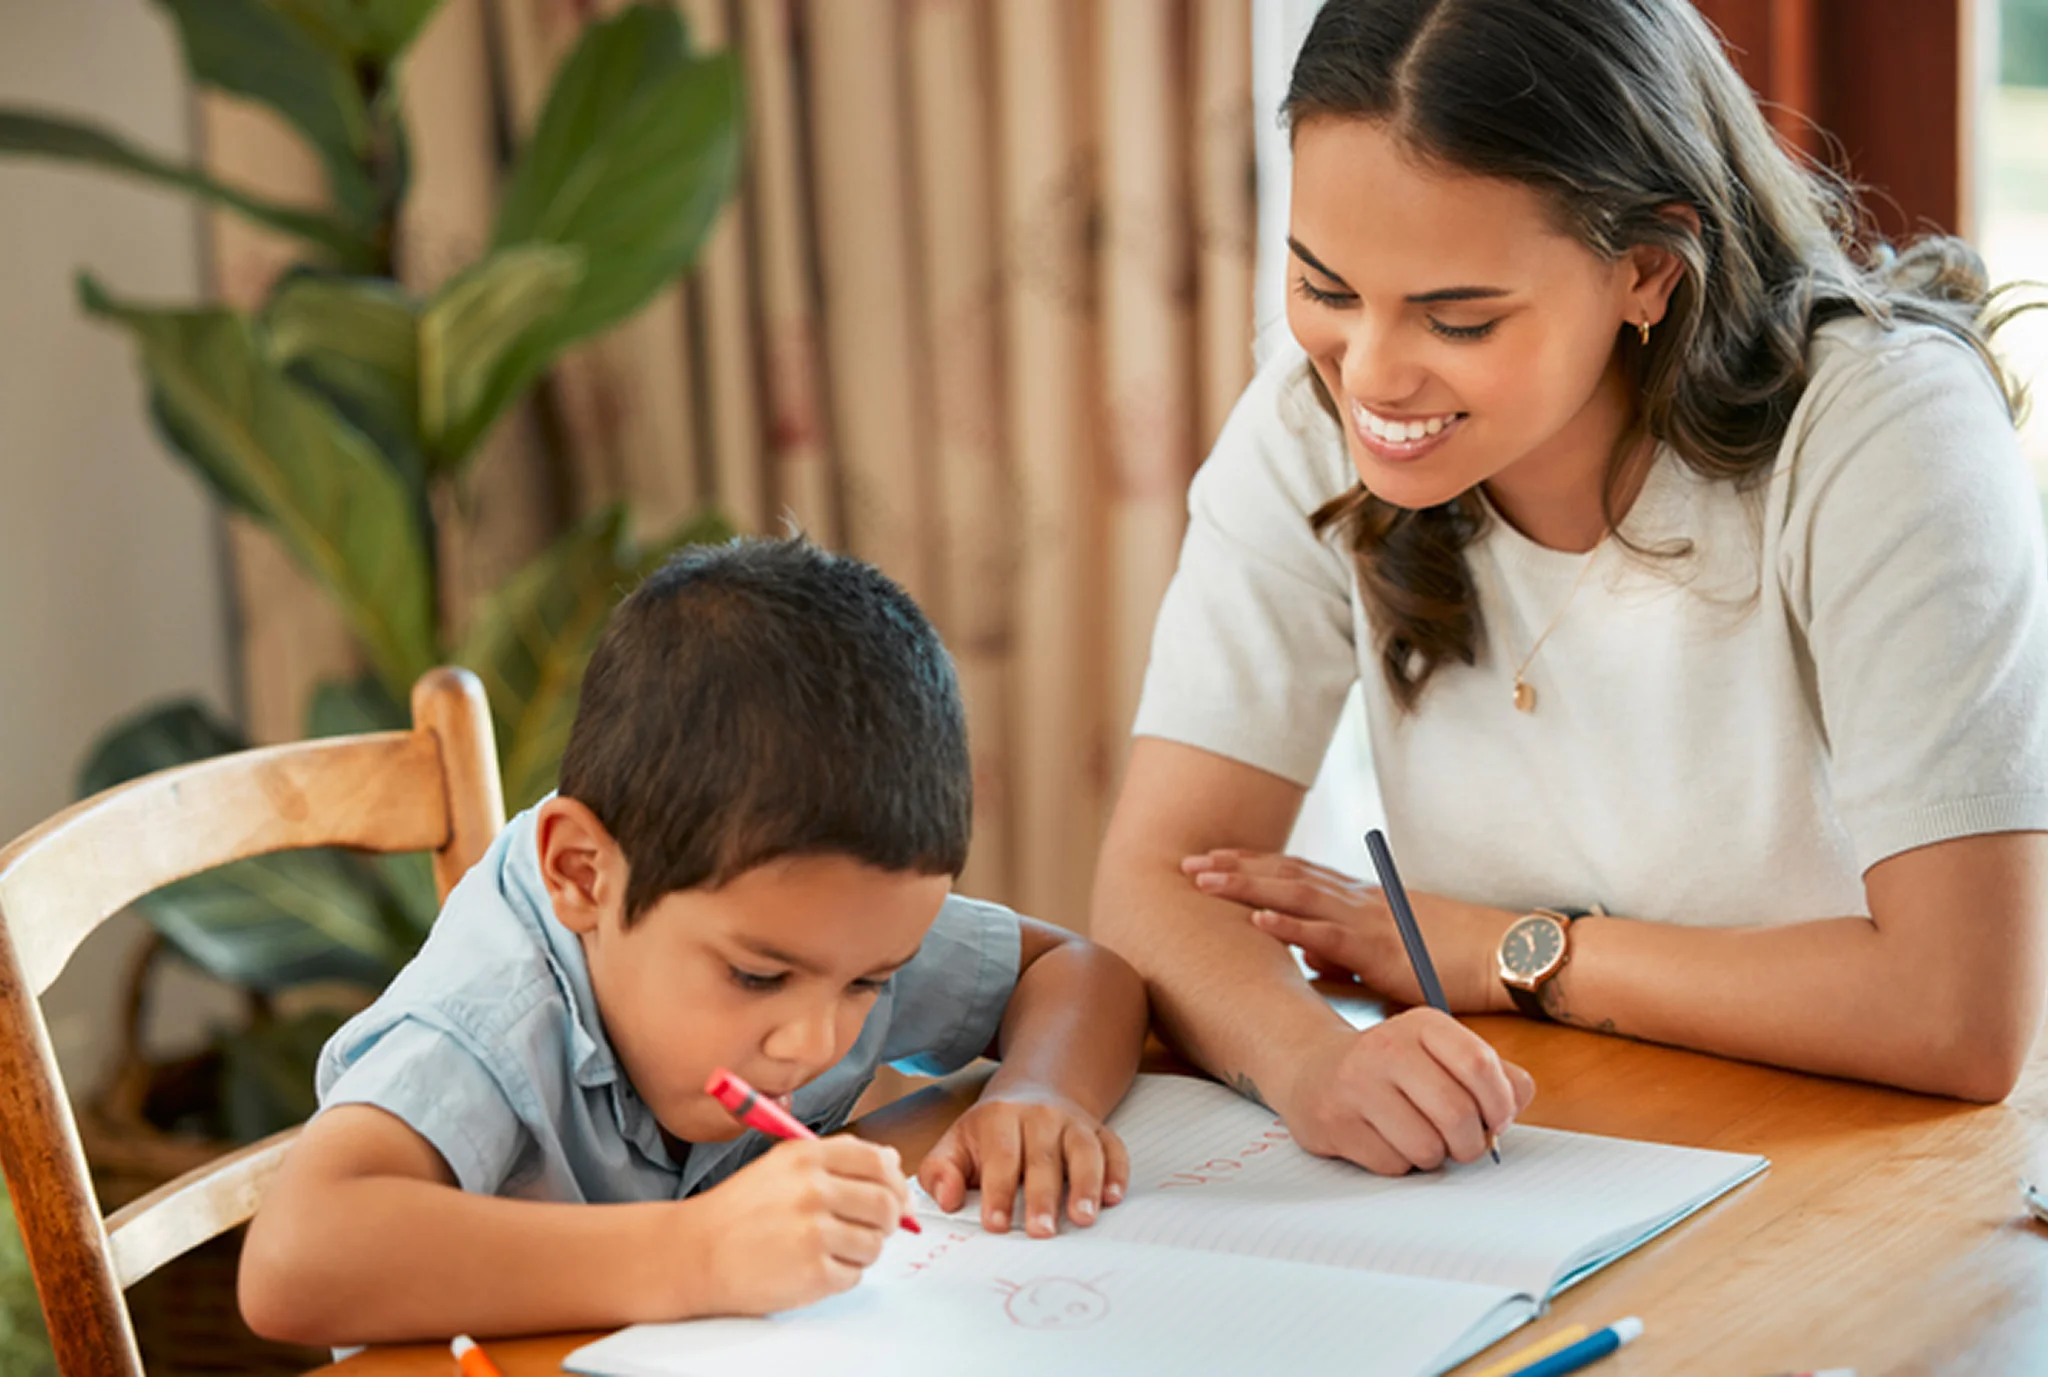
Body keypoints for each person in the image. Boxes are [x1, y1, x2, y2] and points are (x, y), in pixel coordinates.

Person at [1093, 0, 2048, 1180]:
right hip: (1559, 1145)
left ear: (1646, 270)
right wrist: (1311, 1065)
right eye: (1324, 289)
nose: (1372, 375)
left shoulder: (1880, 429)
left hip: (1899, 1167)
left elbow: (1955, 1013)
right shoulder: (1310, 419)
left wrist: (1504, 953)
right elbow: (1155, 880)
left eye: (1456, 316)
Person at [239, 538, 1147, 1346]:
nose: (816, 1041)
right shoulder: (492, 1018)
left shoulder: (821, 925)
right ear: (584, 876)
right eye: (757, 977)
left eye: (872, 983)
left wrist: (1041, 1091)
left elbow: (1078, 970)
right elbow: (292, 1262)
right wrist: (700, 1252)